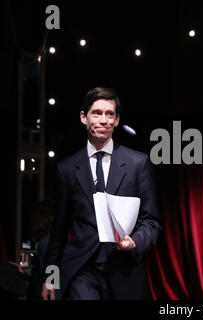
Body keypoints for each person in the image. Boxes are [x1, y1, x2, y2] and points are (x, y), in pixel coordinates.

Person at [41, 87, 161, 300]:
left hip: (125, 268)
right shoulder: (67, 168)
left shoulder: (137, 163)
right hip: (81, 269)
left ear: (116, 120)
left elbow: (151, 221)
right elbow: (58, 231)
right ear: (83, 117)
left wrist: (134, 241)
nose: (103, 120)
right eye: (97, 113)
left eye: (110, 114)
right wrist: (51, 277)